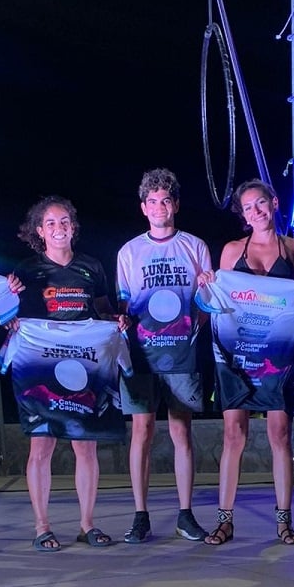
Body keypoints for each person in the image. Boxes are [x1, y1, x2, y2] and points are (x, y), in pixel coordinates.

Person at [200, 180, 294, 547]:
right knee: (234, 434)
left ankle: (284, 522)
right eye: (247, 207)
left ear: (273, 203)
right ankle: (224, 521)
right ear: (243, 215)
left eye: (260, 203)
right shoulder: (232, 251)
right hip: (237, 353)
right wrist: (206, 285)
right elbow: (217, 302)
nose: (255, 212)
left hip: (278, 354)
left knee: (280, 434)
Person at [12, 195, 118, 551]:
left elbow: (103, 311)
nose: (59, 228)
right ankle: (42, 526)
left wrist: (116, 321)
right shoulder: (27, 270)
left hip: (84, 366)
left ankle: (87, 524)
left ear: (73, 227)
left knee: (85, 446)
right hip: (41, 366)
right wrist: (10, 315)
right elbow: (12, 315)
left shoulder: (92, 267)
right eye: (51, 223)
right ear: (40, 231)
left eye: (64, 222)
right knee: (41, 446)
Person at [116, 168, 212, 543]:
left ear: (176, 205)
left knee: (180, 431)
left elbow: (208, 300)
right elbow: (123, 304)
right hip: (141, 354)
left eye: (166, 200)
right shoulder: (129, 252)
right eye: (152, 201)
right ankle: (140, 516)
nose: (159, 207)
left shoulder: (195, 246)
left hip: (182, 355)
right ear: (143, 207)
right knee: (141, 431)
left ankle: (185, 515)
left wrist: (188, 330)